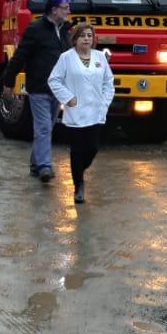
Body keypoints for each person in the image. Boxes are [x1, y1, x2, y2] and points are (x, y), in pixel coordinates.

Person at [2, 0, 73, 182]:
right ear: (54, 10)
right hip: (39, 87)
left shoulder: (65, 31)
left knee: (47, 127)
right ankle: (44, 166)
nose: (68, 11)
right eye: (65, 7)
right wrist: (9, 82)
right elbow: (20, 57)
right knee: (43, 127)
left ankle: (35, 164)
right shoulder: (35, 29)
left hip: (57, 89)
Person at [47, 23, 114, 204]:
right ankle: (78, 186)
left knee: (92, 149)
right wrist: (67, 98)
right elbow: (54, 80)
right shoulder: (66, 58)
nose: (86, 39)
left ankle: (79, 170)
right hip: (76, 112)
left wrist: (105, 102)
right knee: (77, 150)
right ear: (75, 39)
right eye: (83, 36)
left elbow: (109, 82)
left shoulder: (100, 57)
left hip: (96, 111)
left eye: (89, 36)